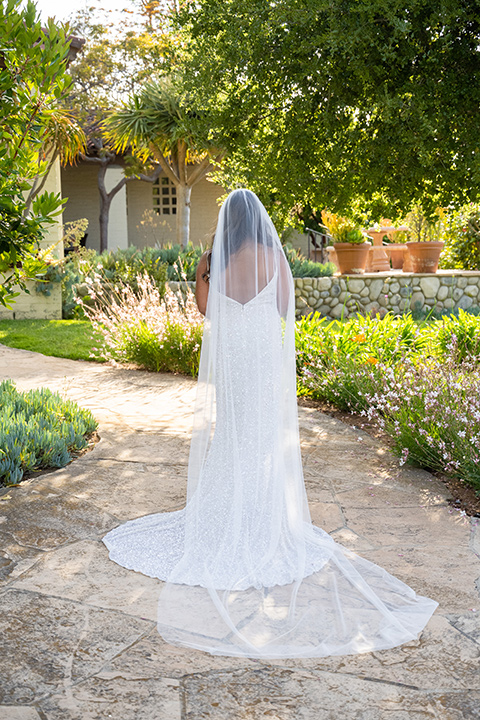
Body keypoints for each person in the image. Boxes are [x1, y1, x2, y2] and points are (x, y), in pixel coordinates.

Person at [103, 188, 438, 658]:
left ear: (227, 222)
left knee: (231, 435)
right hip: (259, 353)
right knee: (260, 437)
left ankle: (223, 516)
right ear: (258, 220)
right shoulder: (274, 255)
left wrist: (208, 275)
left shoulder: (210, 257)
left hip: (232, 355)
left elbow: (204, 310)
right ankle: (259, 519)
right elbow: (283, 309)